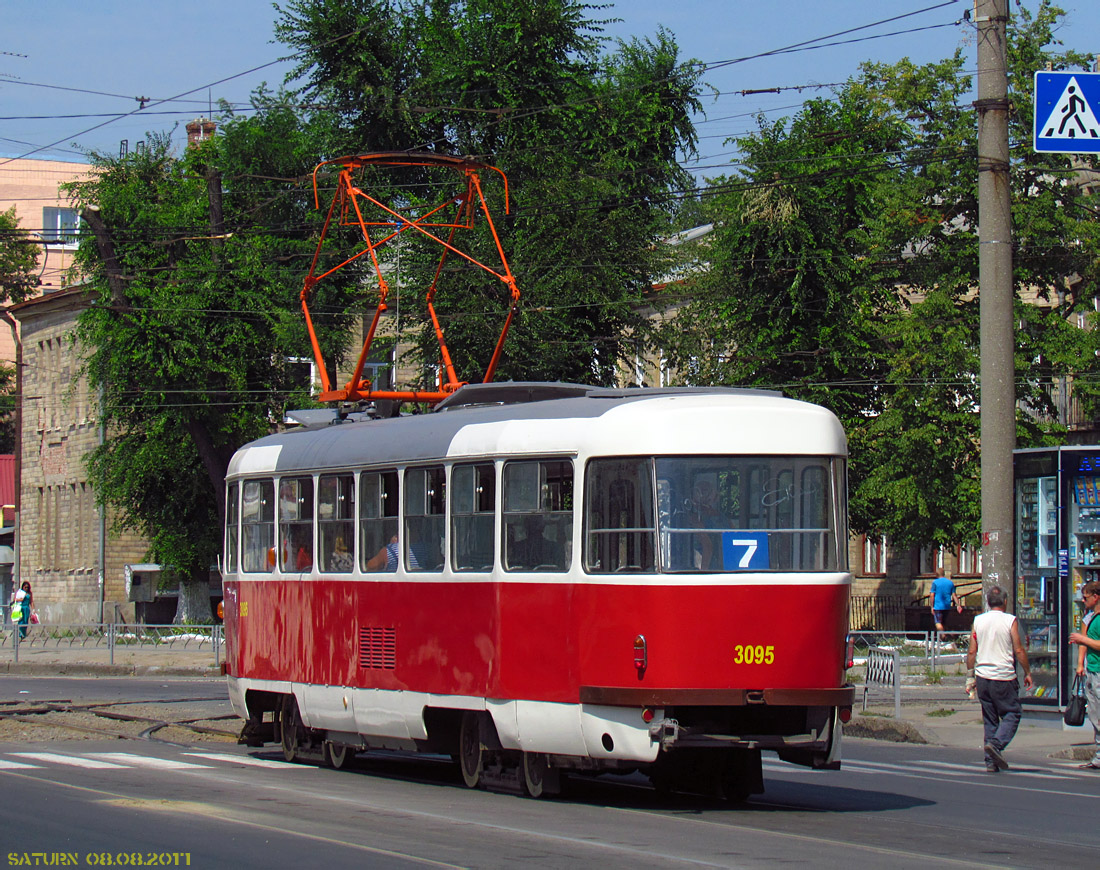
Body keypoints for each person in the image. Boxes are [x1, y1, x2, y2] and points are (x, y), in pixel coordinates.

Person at [965, 585, 1033, 773]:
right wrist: (1027, 672)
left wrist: (970, 677)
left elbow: (972, 651)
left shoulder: (978, 621)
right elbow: (1018, 649)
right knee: (1013, 713)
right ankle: (996, 745)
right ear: (1005, 601)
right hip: (1003, 676)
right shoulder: (1010, 620)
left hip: (983, 677)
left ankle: (990, 761)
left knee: (990, 719)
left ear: (987, 601)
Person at [1068, 579, 1100, 771]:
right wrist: (1080, 664)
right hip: (1093, 670)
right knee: (1095, 715)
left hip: (1098, 672)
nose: (1083, 600)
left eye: (1086, 597)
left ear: (1096, 597)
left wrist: (1083, 639)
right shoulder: (1091, 617)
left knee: (1097, 715)